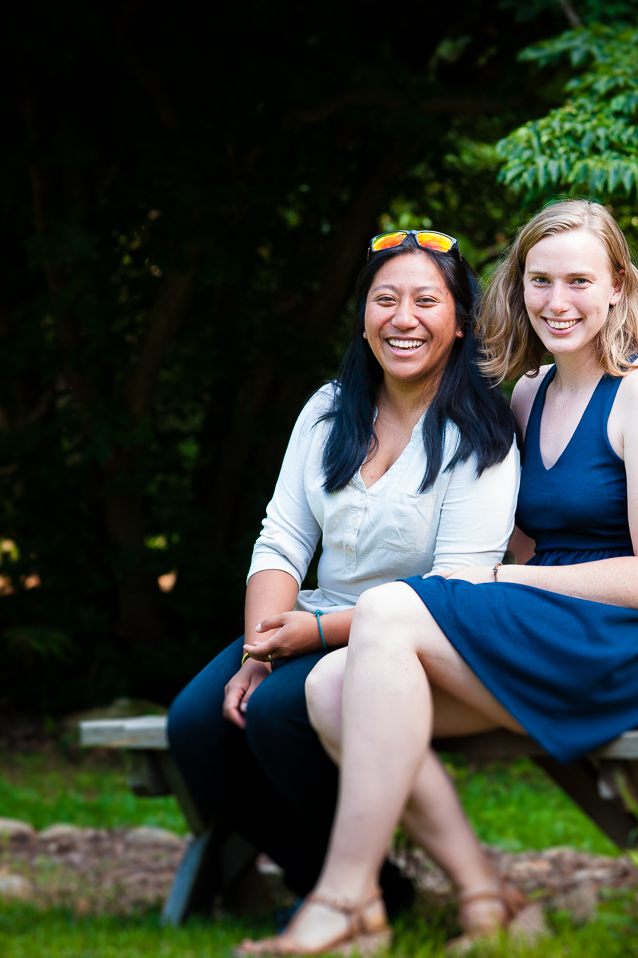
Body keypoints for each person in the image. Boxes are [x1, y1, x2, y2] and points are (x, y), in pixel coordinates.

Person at [244, 201, 638, 955]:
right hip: (553, 624)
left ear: (620, 285)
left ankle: (345, 900)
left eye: (579, 282)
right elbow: (525, 543)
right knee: (333, 689)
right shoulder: (529, 393)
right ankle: (487, 898)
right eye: (539, 281)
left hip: (632, 641)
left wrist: (501, 584)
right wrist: (503, 582)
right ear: (518, 288)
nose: (557, 302)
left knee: (393, 610)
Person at [166, 228, 519, 922]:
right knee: (195, 727)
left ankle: (349, 892)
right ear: (363, 318)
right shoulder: (329, 411)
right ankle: (360, 883)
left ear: (460, 322)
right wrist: (259, 650)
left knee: (276, 718)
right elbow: (282, 541)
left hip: (410, 639)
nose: (403, 317)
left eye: (426, 300)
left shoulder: (482, 436)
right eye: (385, 299)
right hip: (306, 622)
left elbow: (455, 592)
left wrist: (314, 633)